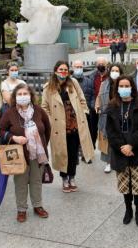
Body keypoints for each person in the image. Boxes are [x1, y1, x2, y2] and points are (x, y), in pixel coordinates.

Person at [106, 75, 138, 227]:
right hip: (120, 151)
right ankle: (128, 210)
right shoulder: (113, 106)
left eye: (127, 86)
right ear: (117, 88)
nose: (124, 89)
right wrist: (122, 147)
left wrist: (131, 145)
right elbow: (110, 131)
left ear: (132, 88)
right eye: (122, 86)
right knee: (125, 185)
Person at [0, 83, 51, 223]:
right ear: (15, 97)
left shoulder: (39, 111)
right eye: (19, 94)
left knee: (36, 180)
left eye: (25, 94)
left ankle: (37, 206)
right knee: (20, 182)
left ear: (31, 96)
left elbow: (47, 129)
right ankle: (21, 209)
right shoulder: (10, 113)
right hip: (19, 154)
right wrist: (14, 138)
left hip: (37, 154)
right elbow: (1, 131)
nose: (22, 97)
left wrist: (42, 145)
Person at [41, 61, 94, 193]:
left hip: (75, 124)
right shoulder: (48, 87)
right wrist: (50, 121)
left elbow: (82, 100)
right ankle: (64, 179)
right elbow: (44, 107)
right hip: (59, 127)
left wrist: (84, 112)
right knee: (62, 154)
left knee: (73, 153)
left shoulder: (73, 83)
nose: (63, 72)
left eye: (65, 69)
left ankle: (72, 177)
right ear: (55, 70)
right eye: (61, 69)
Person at [73, 58, 107, 162]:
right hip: (72, 113)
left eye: (80, 67)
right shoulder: (69, 81)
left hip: (86, 112)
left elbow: (93, 95)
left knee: (87, 133)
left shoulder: (88, 81)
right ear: (73, 68)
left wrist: (91, 107)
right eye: (76, 67)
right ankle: (75, 152)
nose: (78, 69)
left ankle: (86, 153)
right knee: (74, 134)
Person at [96, 64, 124, 173]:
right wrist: (97, 106)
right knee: (107, 139)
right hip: (107, 115)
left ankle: (120, 160)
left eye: (117, 70)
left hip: (121, 115)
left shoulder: (125, 83)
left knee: (120, 139)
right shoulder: (104, 84)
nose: (115, 72)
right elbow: (99, 96)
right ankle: (108, 162)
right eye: (113, 70)